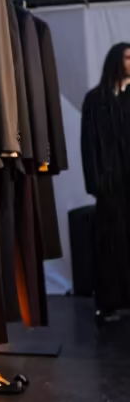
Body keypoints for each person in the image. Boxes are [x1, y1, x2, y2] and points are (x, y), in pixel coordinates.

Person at [81, 43, 130, 322]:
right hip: (110, 184)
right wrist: (96, 183)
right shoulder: (95, 100)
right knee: (110, 243)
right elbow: (88, 146)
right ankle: (110, 302)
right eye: (127, 57)